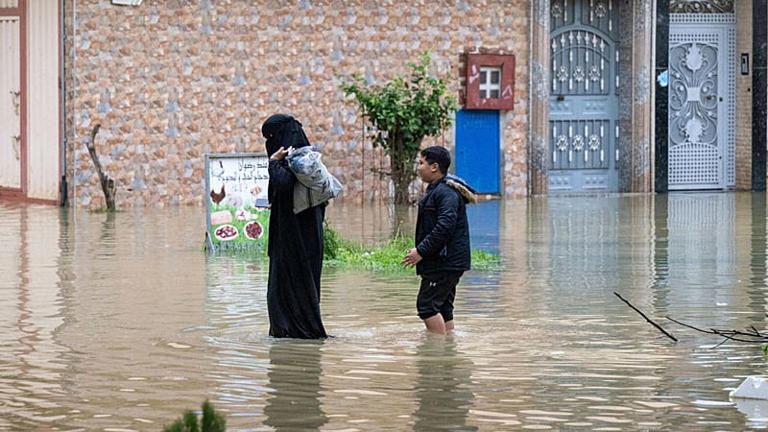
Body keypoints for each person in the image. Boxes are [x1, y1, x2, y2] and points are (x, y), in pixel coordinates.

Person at [262, 114, 327, 339]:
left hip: (295, 240)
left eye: (271, 137)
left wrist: (273, 161)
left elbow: (283, 183)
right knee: (295, 287)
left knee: (288, 288)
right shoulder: (306, 159)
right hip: (302, 237)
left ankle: (294, 333)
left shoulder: (300, 160)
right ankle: (293, 332)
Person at [402, 146, 475, 335]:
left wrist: (421, 251)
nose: (418, 168)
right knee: (443, 307)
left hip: (444, 262)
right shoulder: (438, 190)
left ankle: (437, 356)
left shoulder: (445, 193)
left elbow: (444, 227)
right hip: (446, 261)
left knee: (426, 306)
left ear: (434, 167)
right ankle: (448, 352)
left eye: (421, 163)